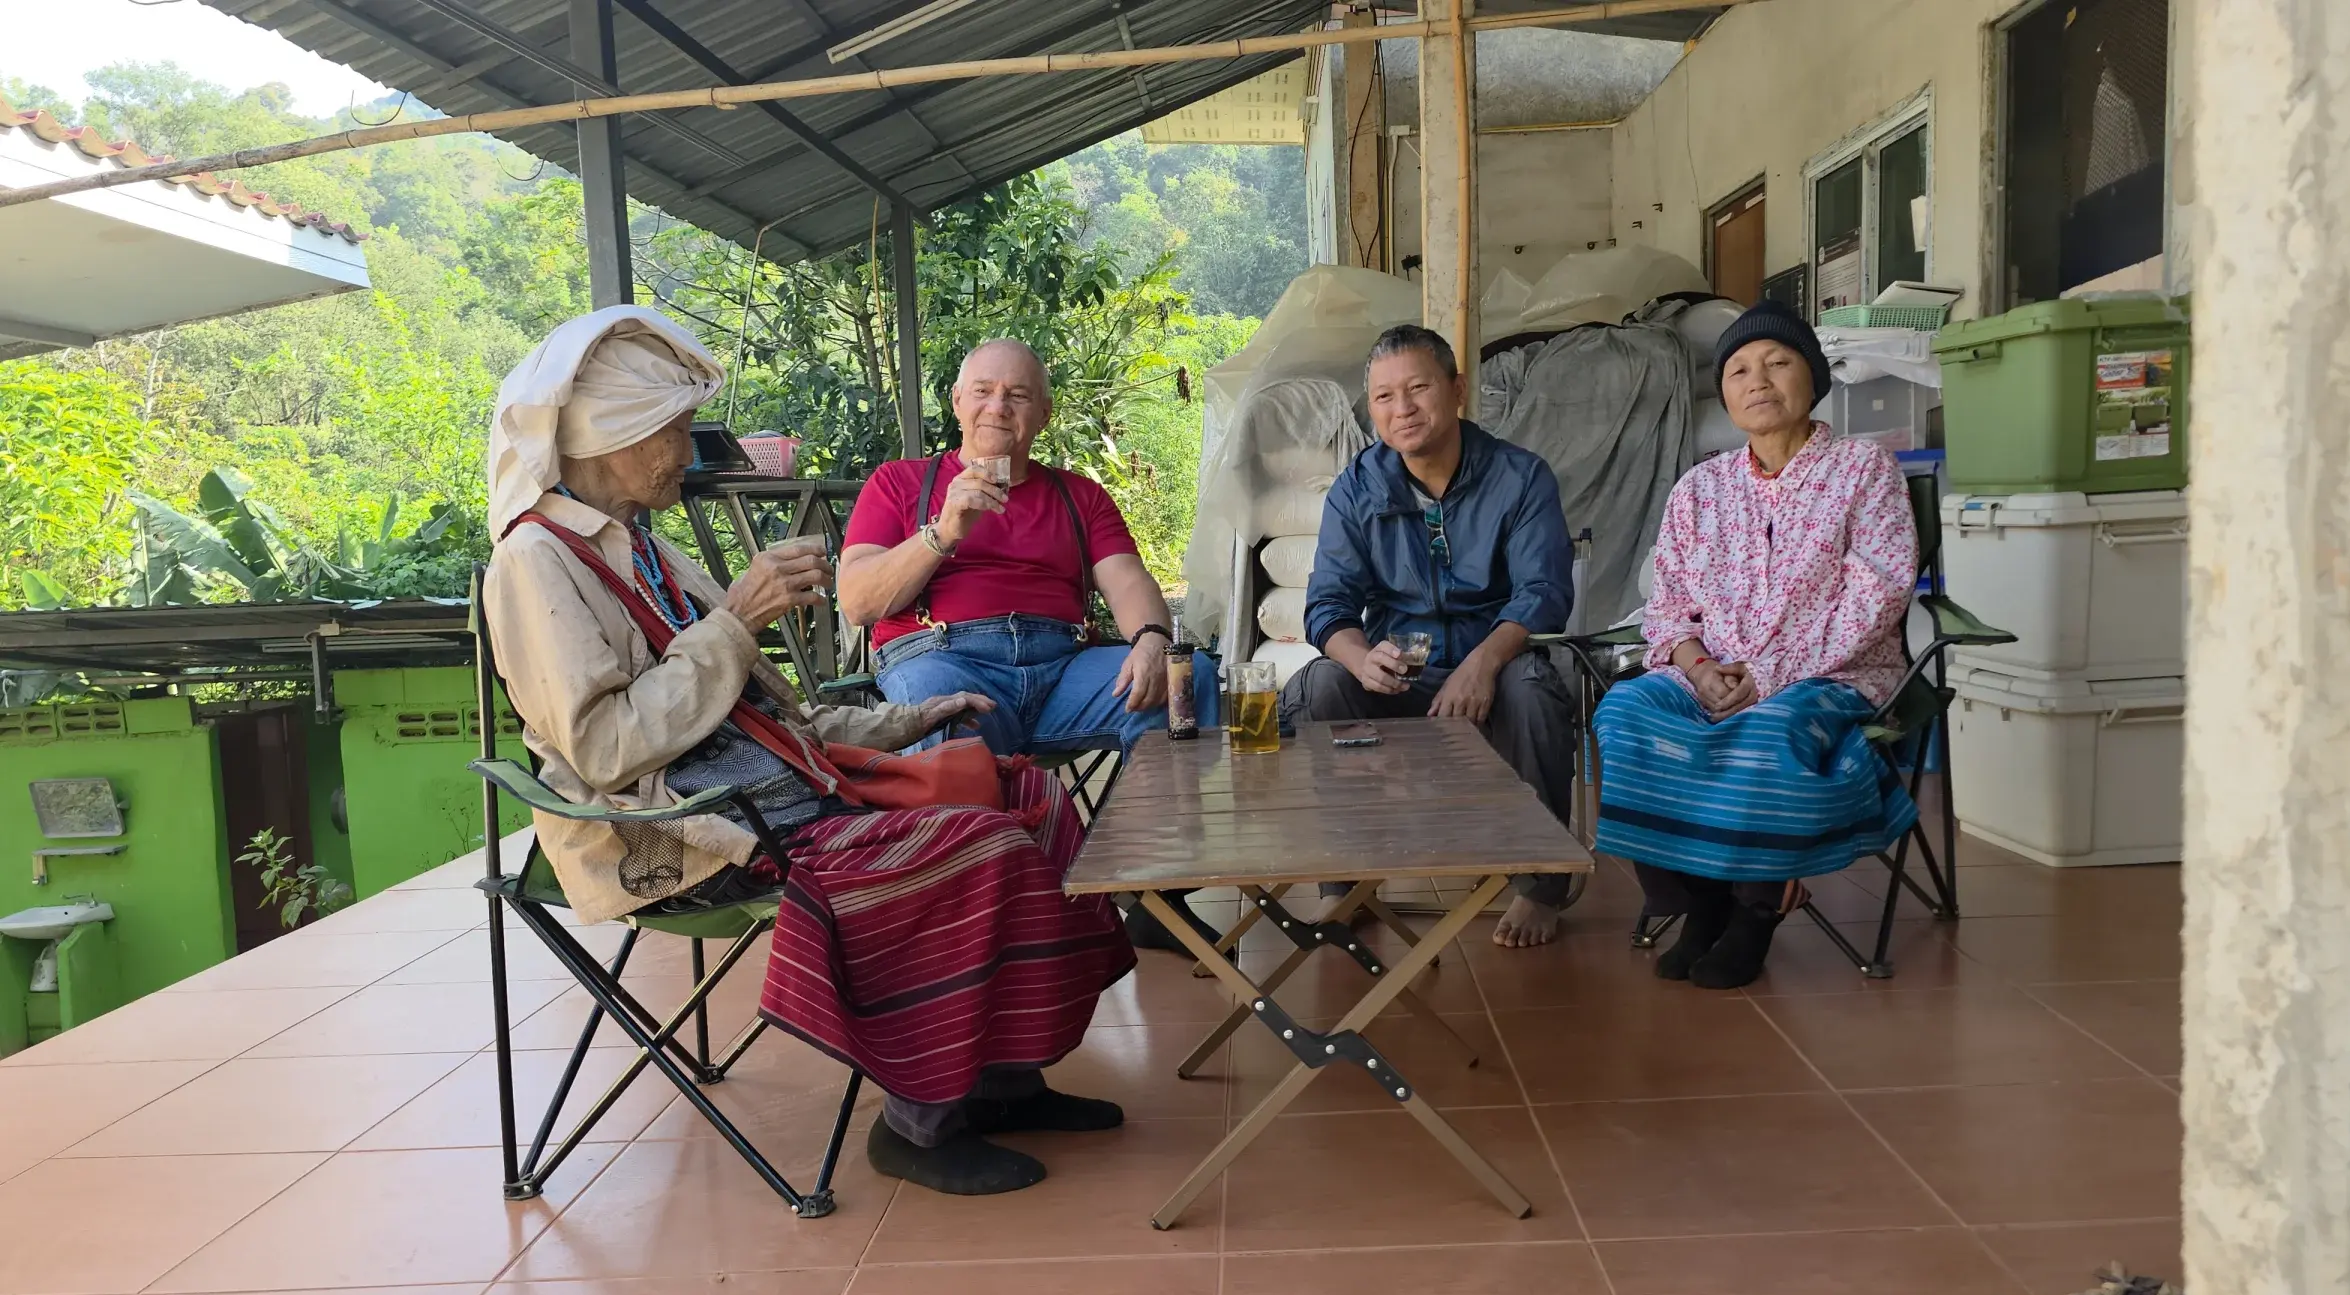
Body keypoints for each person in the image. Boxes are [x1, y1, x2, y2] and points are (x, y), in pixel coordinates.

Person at [481, 306, 1134, 1197]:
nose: (688, 452)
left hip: (776, 792)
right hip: (682, 833)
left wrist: (909, 719)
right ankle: (919, 1124)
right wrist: (736, 620)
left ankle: (1004, 1083)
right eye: (675, 431)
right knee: (973, 847)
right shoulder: (533, 563)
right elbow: (605, 749)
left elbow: (763, 713)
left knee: (1027, 799)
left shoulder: (646, 550)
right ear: (612, 439)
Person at [838, 337, 1221, 955]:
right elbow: (858, 601)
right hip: (944, 657)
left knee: (1187, 678)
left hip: (1062, 664)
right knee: (940, 714)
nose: (998, 406)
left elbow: (1127, 580)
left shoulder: (1079, 495)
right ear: (957, 400)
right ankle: (973, 923)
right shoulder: (900, 483)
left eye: (1018, 395)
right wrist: (942, 531)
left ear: (1042, 412)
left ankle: (1158, 893)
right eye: (984, 391)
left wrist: (1152, 638)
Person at [1592, 298, 1921, 990]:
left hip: (1829, 676)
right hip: (1710, 673)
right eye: (1739, 369)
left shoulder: (1863, 470)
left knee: (1768, 729)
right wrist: (1701, 668)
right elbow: (1669, 607)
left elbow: (1879, 593)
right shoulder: (1699, 489)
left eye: (1778, 362)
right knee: (1625, 714)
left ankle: (1756, 908)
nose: (1758, 380)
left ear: (1813, 378)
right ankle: (1698, 898)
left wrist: (1769, 674)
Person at [1290, 323, 1580, 948]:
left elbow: (1545, 592)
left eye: (1418, 389)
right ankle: (1346, 881)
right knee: (1322, 683)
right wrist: (1362, 658)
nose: (1403, 410)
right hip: (1402, 674)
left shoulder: (1520, 477)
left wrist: (1485, 661)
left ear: (1457, 391)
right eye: (1384, 397)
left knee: (1536, 688)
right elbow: (1327, 604)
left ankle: (1539, 886)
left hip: (1495, 666)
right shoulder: (1357, 489)